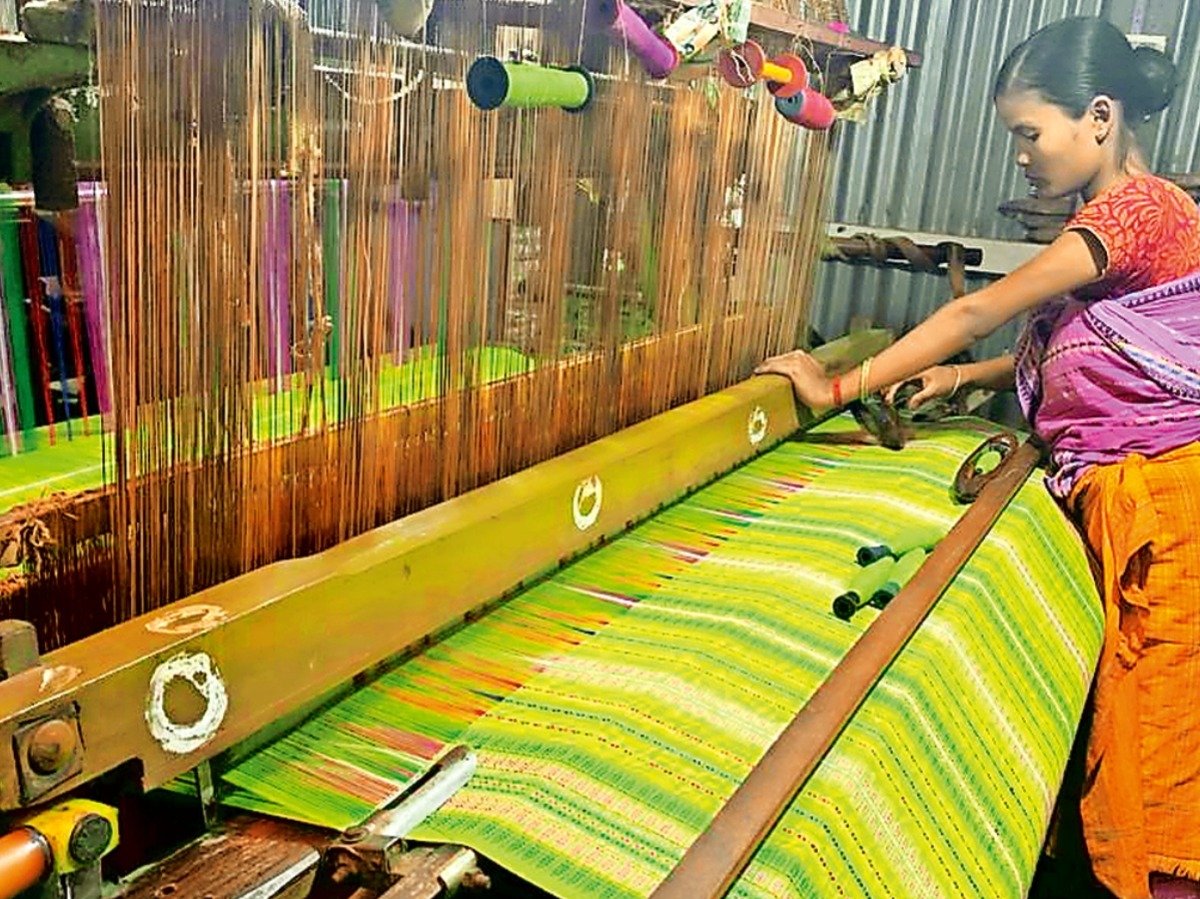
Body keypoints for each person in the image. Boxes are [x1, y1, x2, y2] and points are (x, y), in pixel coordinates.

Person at [756, 16, 1200, 899]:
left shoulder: (1140, 209)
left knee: (1156, 758)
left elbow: (977, 308)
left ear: (1099, 118)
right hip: (1139, 495)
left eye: (1030, 134)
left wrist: (836, 389)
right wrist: (968, 377)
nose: (1021, 157)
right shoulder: (1116, 218)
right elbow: (1090, 344)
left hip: (1167, 518)